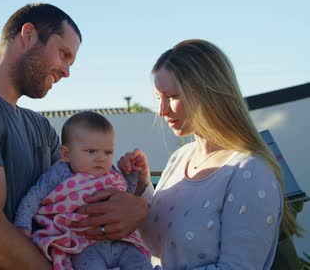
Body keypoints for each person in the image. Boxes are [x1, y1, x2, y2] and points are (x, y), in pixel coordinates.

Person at [0, 3, 149, 269]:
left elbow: (77, 195)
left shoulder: (40, 127)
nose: (67, 71)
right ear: (28, 35)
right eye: (63, 54)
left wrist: (138, 206)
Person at [116, 39, 301, 269]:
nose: (162, 111)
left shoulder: (251, 172)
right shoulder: (181, 157)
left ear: (207, 93)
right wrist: (142, 187)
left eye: (172, 97)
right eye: (158, 98)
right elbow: (156, 245)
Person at [14, 111, 153, 270]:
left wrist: (133, 172)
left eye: (108, 152)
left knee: (141, 264)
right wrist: (22, 225)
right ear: (66, 154)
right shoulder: (61, 173)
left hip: (123, 243)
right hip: (83, 246)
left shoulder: (112, 173)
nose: (101, 158)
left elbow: (126, 194)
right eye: (91, 151)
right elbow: (35, 196)